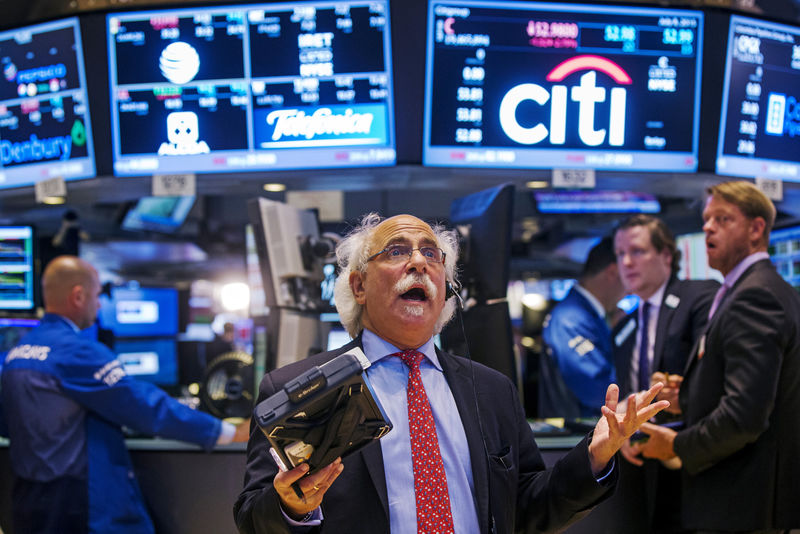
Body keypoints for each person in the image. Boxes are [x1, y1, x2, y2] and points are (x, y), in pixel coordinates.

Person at [234, 213, 669, 534]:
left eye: (431, 254)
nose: (419, 263)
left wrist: (593, 457)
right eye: (397, 251)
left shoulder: (492, 389)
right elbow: (253, 517)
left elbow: (527, 508)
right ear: (359, 286)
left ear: (446, 290)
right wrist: (292, 506)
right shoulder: (299, 388)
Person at [0, 256, 249, 534]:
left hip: (28, 502)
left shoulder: (15, 355)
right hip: (79, 505)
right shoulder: (77, 352)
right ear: (78, 296)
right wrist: (223, 432)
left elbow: (8, 424)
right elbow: (144, 407)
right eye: (97, 295)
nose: (100, 303)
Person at [640, 181, 800, 533]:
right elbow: (746, 387)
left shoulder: (755, 296)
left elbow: (745, 415)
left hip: (746, 508)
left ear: (757, 229)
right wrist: (687, 395)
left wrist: (676, 445)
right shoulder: (749, 290)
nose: (708, 227)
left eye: (722, 219)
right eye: (707, 219)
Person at [605, 214, 718, 533]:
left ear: (666, 255)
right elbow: (629, 393)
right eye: (620, 254)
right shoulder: (623, 327)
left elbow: (710, 375)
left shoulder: (699, 297)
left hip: (694, 458)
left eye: (637, 251)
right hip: (645, 466)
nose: (626, 262)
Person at [540, 236, 625, 418]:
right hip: (578, 437)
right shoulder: (570, 319)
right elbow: (597, 390)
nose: (631, 288)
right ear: (613, 272)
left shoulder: (591, 316)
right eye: (629, 272)